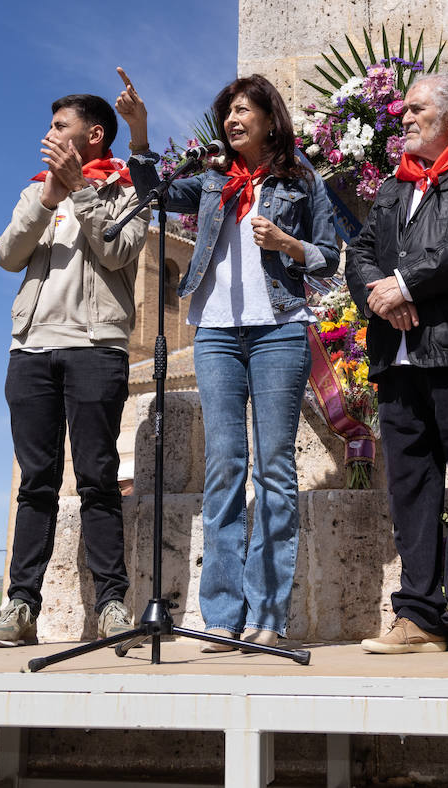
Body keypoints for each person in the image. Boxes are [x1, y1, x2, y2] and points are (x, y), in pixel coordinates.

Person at [128, 72, 339, 649]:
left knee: (274, 468)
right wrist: (140, 132)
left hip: (279, 329)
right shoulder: (211, 181)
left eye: (244, 110)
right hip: (216, 331)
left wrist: (290, 246)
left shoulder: (303, 182)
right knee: (225, 466)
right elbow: (152, 193)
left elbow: (329, 255)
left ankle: (267, 615)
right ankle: (221, 612)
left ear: (271, 119)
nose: (232, 119)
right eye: (227, 112)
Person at [347, 74, 448, 658]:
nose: (405, 117)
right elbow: (360, 250)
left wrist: (406, 283)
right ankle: (418, 614)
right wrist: (378, 291)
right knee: (412, 486)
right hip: (397, 359)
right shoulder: (394, 188)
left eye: (417, 109)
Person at [0, 86, 146, 648]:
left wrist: (80, 191)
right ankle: (21, 606)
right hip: (30, 351)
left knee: (99, 479)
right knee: (36, 482)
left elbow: (119, 253)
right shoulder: (37, 192)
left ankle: (112, 605)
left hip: (96, 349)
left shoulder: (127, 190)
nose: (47, 135)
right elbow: (6, 256)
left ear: (92, 135)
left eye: (58, 125)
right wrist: (50, 195)